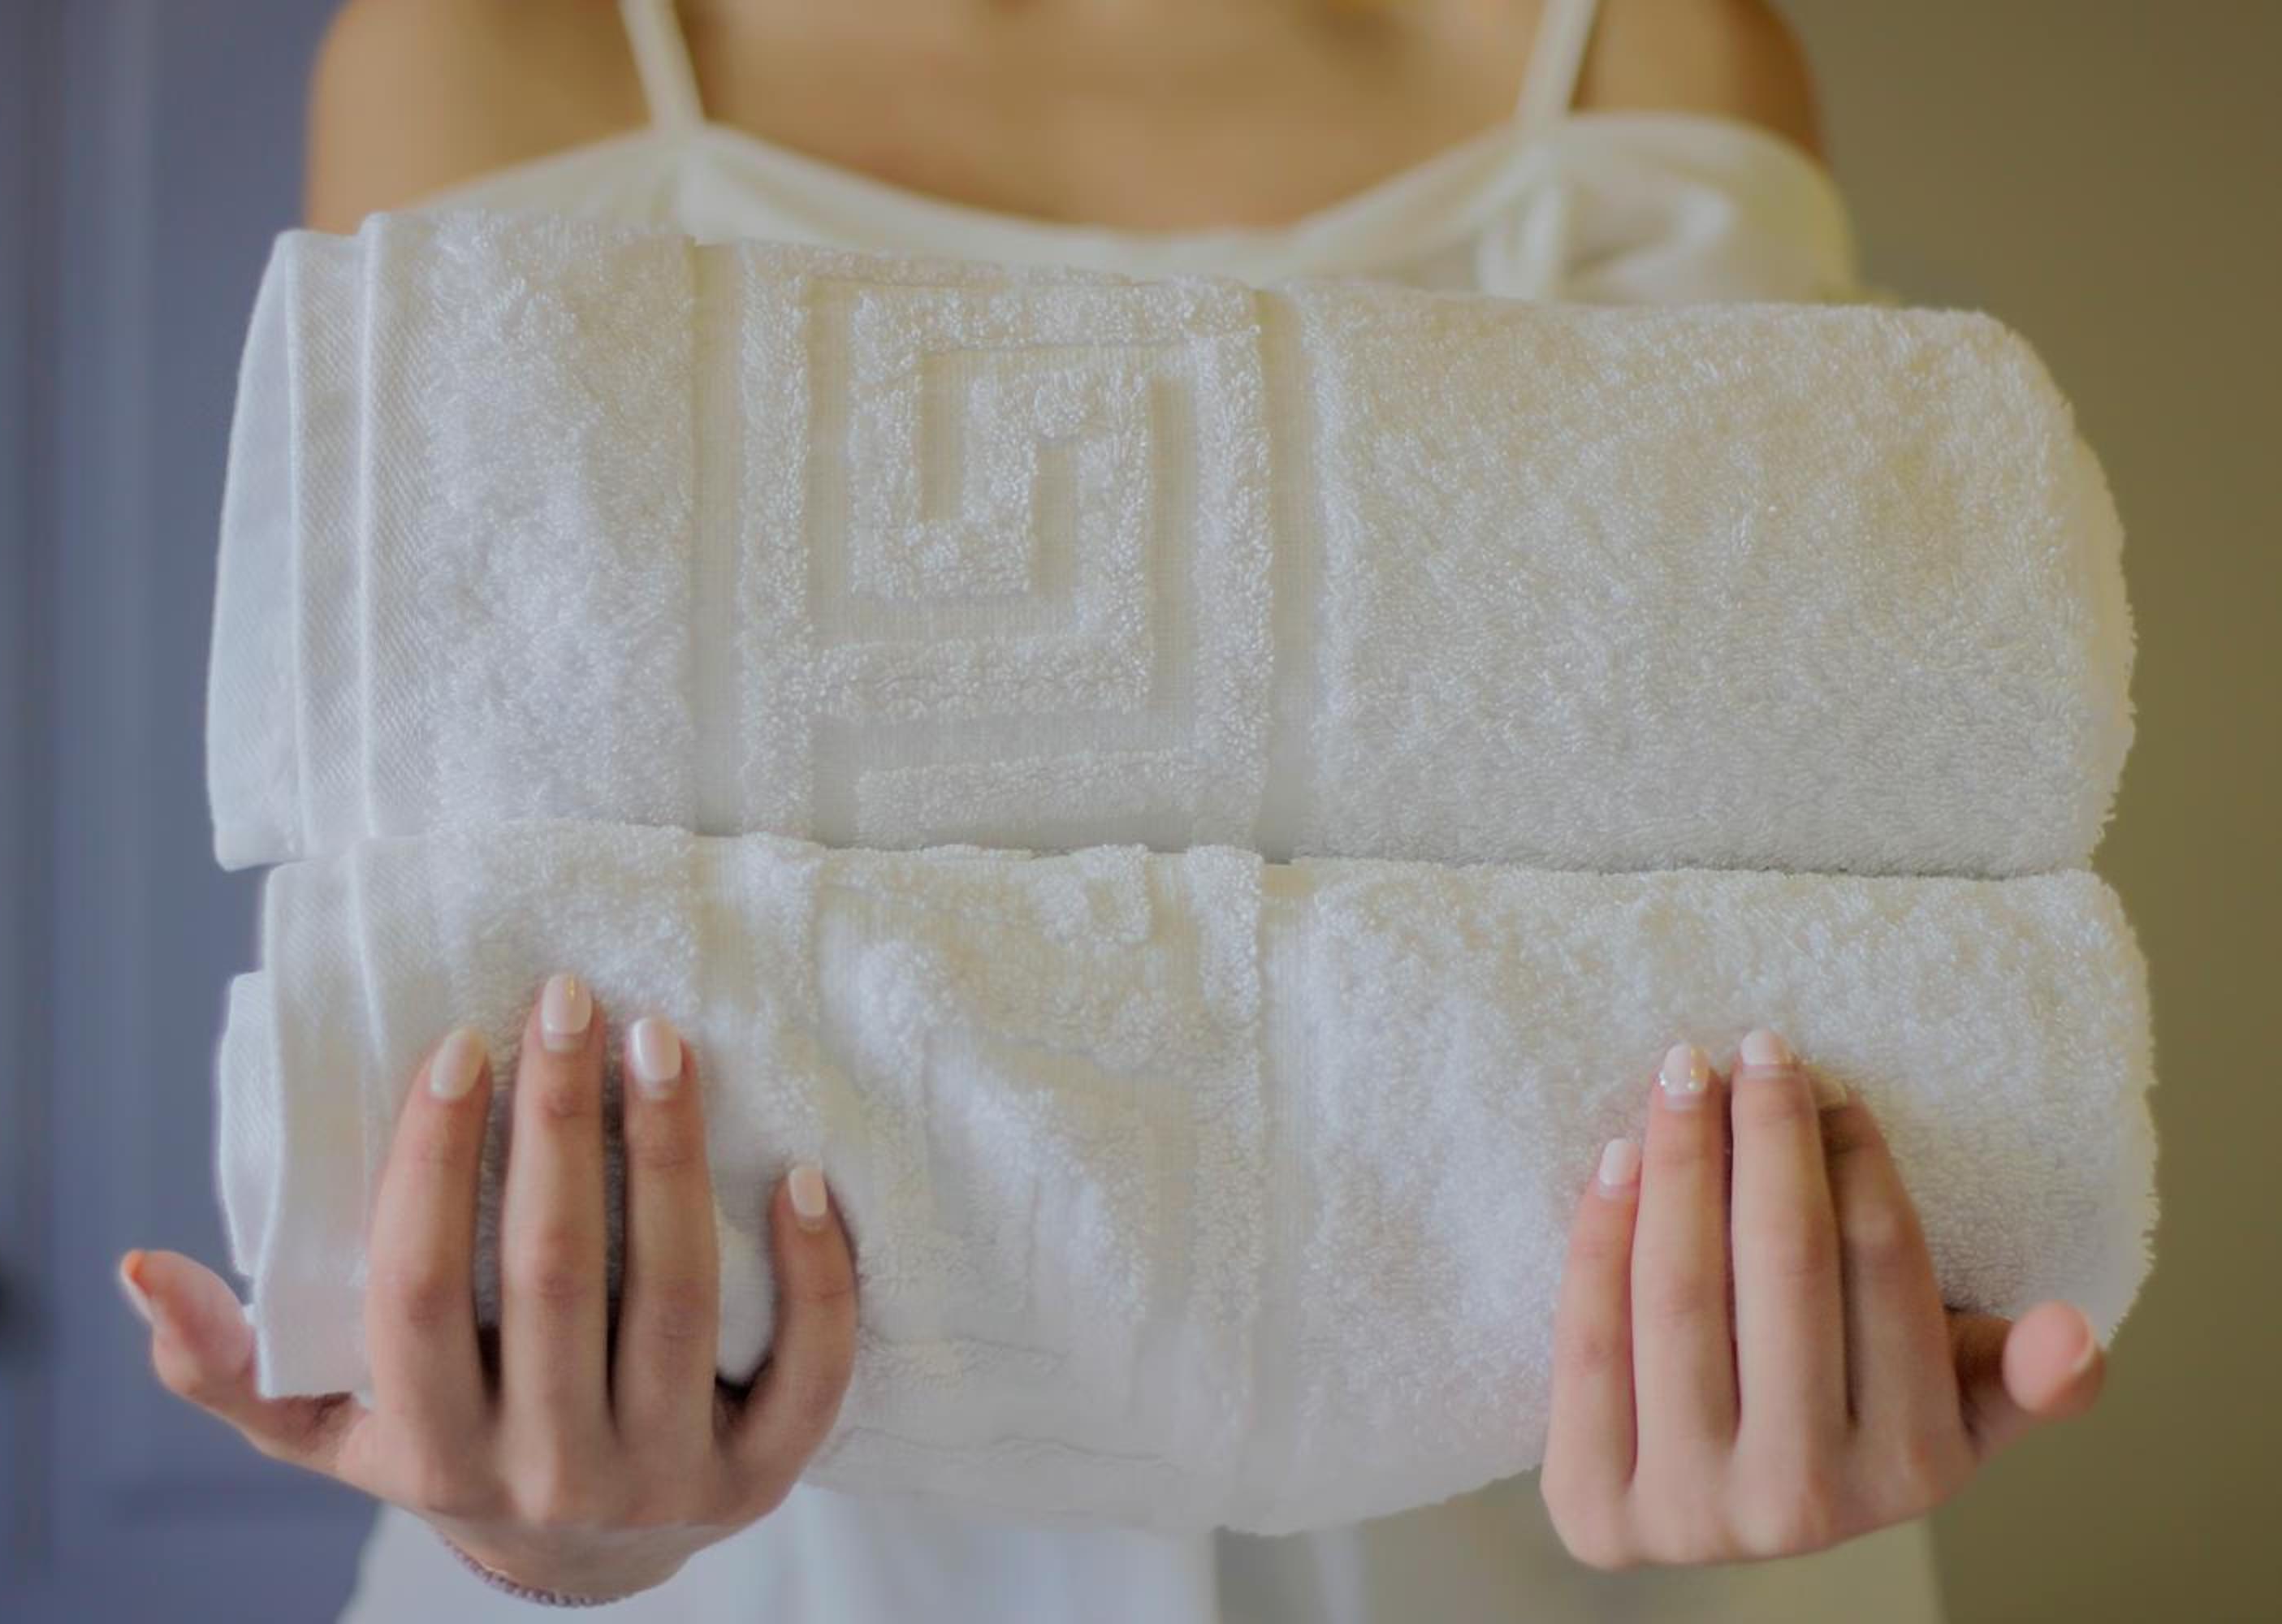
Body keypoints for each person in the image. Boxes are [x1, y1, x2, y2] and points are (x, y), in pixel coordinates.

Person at [119, 2, 2109, 1617]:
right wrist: (537, 1531)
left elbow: (1802, 804)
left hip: (1554, 1569)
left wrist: (1808, 1355)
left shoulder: (1645, 56)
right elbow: (443, 872)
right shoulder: (483, 52)